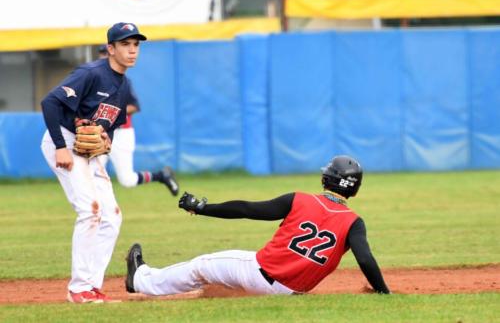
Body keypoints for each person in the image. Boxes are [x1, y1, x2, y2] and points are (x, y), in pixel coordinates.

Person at [40, 22, 178, 304]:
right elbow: (49, 103)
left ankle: (91, 285)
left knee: (112, 217)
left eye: (136, 44)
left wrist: (106, 141)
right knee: (90, 210)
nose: (132, 50)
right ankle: (79, 288)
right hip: (64, 141)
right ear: (111, 49)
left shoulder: (124, 86)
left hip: (87, 151)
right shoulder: (90, 74)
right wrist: (59, 148)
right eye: (125, 44)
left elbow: (111, 124)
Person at [125, 155, 391, 297]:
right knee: (219, 276)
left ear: (326, 179)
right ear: (355, 189)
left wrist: (203, 207)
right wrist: (384, 292)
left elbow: (247, 210)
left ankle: (140, 280)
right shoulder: (354, 222)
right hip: (290, 292)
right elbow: (366, 260)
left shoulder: (300, 199)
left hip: (258, 274)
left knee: (201, 265)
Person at [96, 45, 179, 193]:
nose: (103, 56)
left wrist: (110, 111)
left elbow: (134, 107)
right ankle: (98, 212)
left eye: (105, 54)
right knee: (93, 174)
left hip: (122, 133)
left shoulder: (122, 81)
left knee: (127, 180)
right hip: (100, 134)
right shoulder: (93, 80)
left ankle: (161, 175)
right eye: (101, 53)